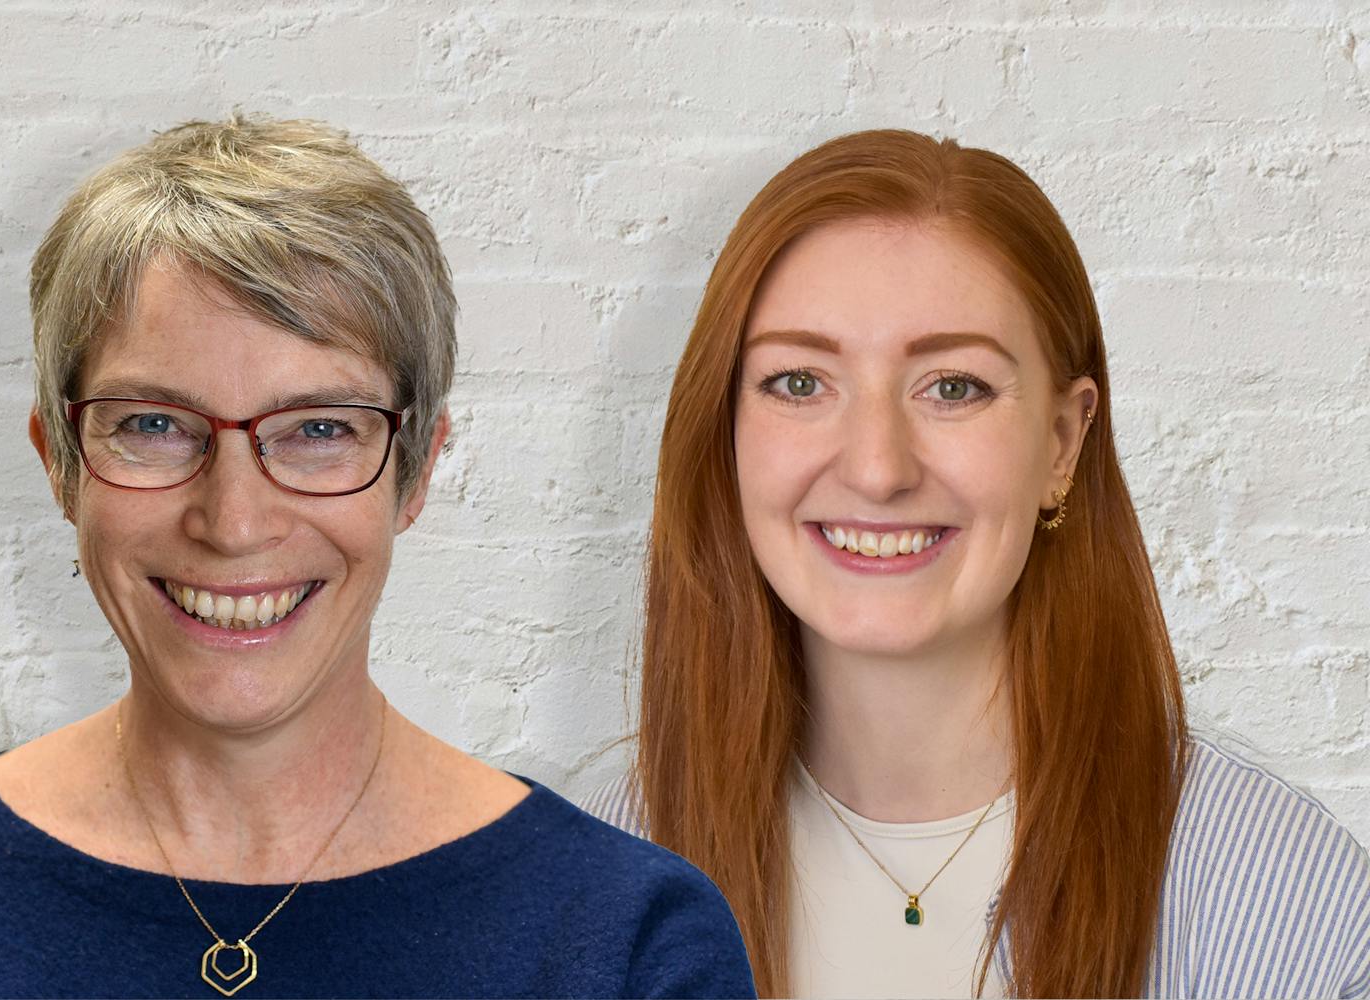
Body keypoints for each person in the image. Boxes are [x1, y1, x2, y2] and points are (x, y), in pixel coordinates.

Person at [0, 115, 755, 1000]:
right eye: (154, 423)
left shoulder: (626, 944)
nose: (233, 520)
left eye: (318, 427)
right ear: (59, 463)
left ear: (414, 474)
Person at [582, 129, 1370, 998]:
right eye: (800, 383)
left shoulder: (1281, 900)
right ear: (725, 433)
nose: (878, 468)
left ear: (1063, 444)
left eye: (954, 386)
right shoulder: (595, 883)